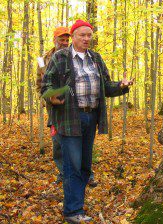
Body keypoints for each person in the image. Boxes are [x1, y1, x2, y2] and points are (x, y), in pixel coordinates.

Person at [41, 20, 134, 223]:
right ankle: (73, 212)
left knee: (84, 165)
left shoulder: (96, 58)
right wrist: (54, 96)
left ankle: (77, 206)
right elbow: (45, 87)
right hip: (68, 117)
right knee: (72, 164)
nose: (86, 39)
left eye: (89, 35)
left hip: (91, 117)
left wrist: (121, 85)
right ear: (73, 36)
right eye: (82, 35)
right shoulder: (60, 57)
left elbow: (107, 87)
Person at [36, 27, 98, 187]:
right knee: (58, 143)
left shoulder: (73, 56)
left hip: (73, 109)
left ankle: (87, 175)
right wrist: (48, 100)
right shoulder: (43, 60)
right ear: (54, 40)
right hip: (55, 109)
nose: (64, 43)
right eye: (61, 40)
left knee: (80, 143)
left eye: (66, 40)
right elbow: (40, 84)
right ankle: (64, 173)